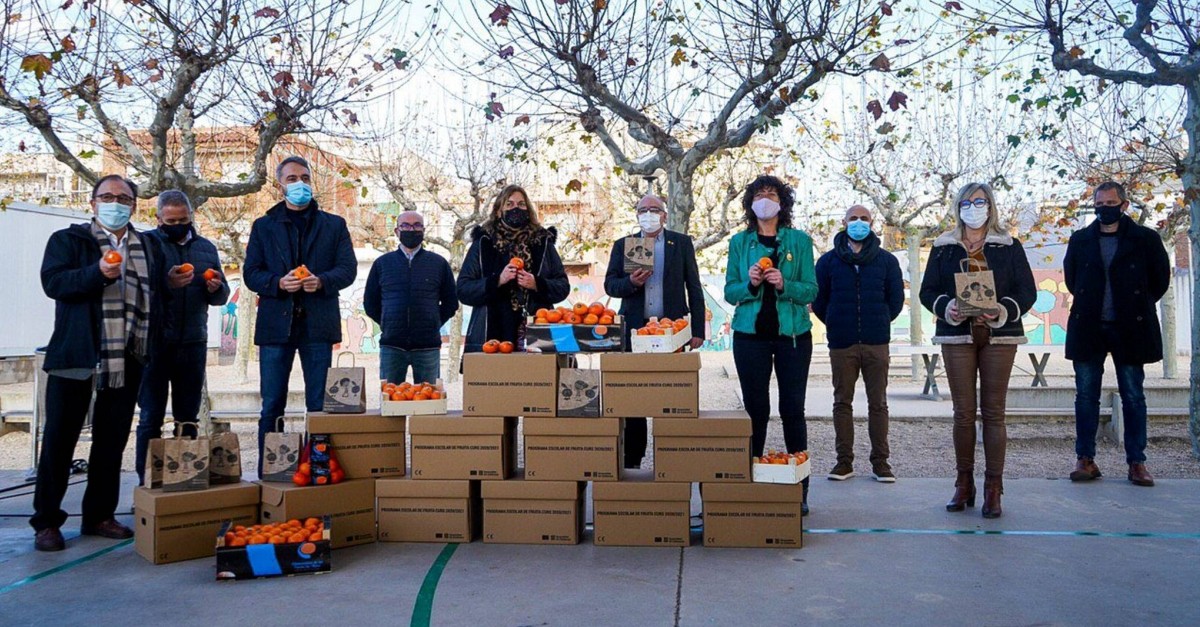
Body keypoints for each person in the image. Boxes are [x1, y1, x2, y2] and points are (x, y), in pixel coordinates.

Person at [31, 174, 158, 551]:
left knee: (111, 440)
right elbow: (54, 284)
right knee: (59, 439)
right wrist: (96, 273)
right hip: (77, 354)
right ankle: (47, 521)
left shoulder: (147, 245)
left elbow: (155, 294)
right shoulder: (68, 240)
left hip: (127, 357)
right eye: (107, 196)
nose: (115, 203)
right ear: (92, 203)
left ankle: (99, 515)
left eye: (123, 197)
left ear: (134, 205)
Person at [920, 182, 1035, 519]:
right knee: (963, 412)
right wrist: (947, 307)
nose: (973, 207)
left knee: (994, 413)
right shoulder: (943, 247)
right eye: (967, 202)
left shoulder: (1009, 245)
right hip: (957, 335)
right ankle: (963, 482)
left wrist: (1002, 310)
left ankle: (994, 487)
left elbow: (1027, 291)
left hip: (1000, 336)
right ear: (958, 207)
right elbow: (928, 291)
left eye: (980, 201)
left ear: (991, 206)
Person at [243, 156, 357, 475]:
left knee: (319, 405)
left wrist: (322, 281)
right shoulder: (264, 226)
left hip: (317, 326)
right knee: (272, 403)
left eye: (304, 177)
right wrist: (277, 283)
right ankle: (273, 469)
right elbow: (251, 273)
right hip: (275, 327)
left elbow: (347, 269)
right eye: (292, 178)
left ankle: (317, 468)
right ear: (280, 185)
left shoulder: (334, 225)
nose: (300, 184)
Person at [1064, 181, 1170, 487]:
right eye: (1099, 203)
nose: (1104, 209)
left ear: (1124, 205)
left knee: (1133, 396)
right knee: (1085, 397)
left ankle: (1137, 462)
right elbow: (1073, 280)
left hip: (1130, 327)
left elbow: (1159, 281)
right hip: (1089, 326)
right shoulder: (1080, 239)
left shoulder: (1146, 239)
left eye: (1110, 203)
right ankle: (1085, 459)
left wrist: (1133, 304)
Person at [723, 175, 817, 514]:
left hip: (793, 336)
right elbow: (729, 292)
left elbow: (811, 290)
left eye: (772, 194)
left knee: (793, 410)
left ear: (782, 203)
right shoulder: (739, 242)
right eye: (759, 194)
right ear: (750, 204)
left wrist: (784, 284)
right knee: (756, 411)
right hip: (750, 338)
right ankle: (751, 481)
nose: (765, 199)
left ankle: (799, 488)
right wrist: (749, 284)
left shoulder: (800, 241)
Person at [603, 193, 707, 469]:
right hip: (636, 334)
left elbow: (694, 287)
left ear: (664, 214)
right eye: (642, 209)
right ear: (636, 215)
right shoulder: (625, 245)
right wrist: (631, 283)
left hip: (671, 333)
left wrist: (697, 329)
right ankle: (633, 462)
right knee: (633, 399)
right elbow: (610, 286)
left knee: (670, 397)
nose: (648, 214)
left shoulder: (680, 243)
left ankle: (671, 463)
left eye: (654, 209)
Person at [134, 190, 230, 486]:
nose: (178, 224)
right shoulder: (146, 244)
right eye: (171, 220)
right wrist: (166, 283)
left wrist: (216, 289)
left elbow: (222, 294)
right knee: (150, 416)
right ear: (158, 218)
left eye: (183, 219)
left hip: (193, 342)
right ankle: (148, 481)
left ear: (191, 217)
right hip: (155, 344)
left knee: (188, 416)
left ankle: (187, 477)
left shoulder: (206, 248)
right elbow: (136, 290)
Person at [813, 204, 904, 483]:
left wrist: (879, 320)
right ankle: (843, 463)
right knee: (842, 402)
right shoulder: (827, 262)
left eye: (864, 218)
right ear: (844, 222)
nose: (859, 222)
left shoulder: (887, 261)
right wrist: (836, 321)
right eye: (853, 218)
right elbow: (819, 300)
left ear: (872, 223)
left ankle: (881, 463)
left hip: (877, 342)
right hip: (842, 343)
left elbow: (896, 300)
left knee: (878, 404)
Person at [457, 184, 570, 355]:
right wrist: (497, 280)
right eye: (509, 204)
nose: (515, 208)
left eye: (521, 204)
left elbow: (562, 287)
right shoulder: (483, 243)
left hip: (537, 330)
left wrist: (537, 284)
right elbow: (464, 290)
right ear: (498, 211)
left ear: (528, 209)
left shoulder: (543, 242)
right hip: (492, 330)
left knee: (536, 381)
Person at [364, 211, 458, 384]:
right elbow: (370, 303)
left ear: (423, 230)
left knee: (428, 404)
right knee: (391, 404)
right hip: (391, 346)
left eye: (416, 225)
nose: (411, 229)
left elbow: (451, 303)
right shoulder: (382, 264)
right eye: (405, 226)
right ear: (397, 231)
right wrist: (388, 323)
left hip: (427, 347)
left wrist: (433, 322)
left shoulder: (438, 263)